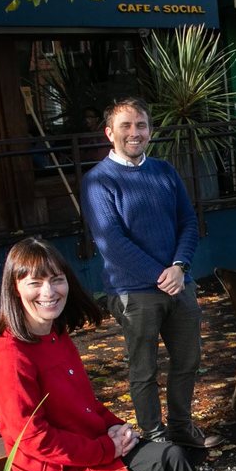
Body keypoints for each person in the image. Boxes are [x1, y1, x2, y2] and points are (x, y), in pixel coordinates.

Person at [0, 238, 222, 471]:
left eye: (56, 280)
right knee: (161, 467)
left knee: (169, 455)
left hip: (90, 450)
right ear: (15, 288)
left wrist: (116, 428)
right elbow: (34, 439)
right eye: (35, 283)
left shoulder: (56, 334)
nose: (49, 292)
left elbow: (86, 403)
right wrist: (105, 449)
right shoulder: (9, 355)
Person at [80, 98, 222, 449]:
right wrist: (162, 274)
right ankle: (156, 439)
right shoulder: (98, 181)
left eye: (141, 125)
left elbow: (188, 221)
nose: (134, 133)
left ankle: (180, 428)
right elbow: (111, 241)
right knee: (144, 371)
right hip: (134, 291)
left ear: (150, 130)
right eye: (126, 126)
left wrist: (179, 267)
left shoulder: (164, 171)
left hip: (179, 283)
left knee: (188, 361)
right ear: (109, 132)